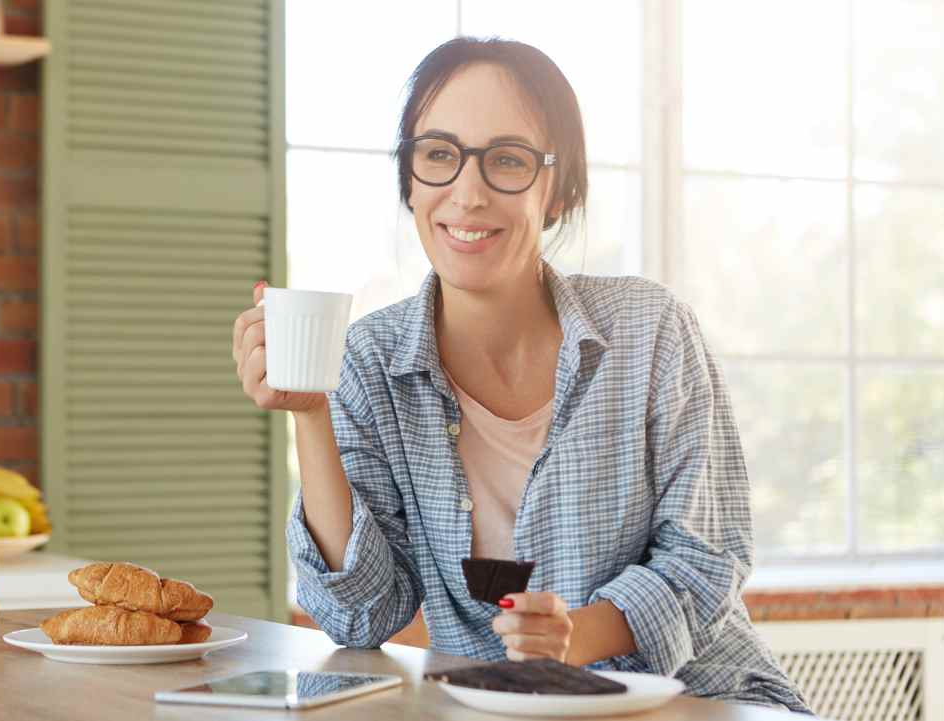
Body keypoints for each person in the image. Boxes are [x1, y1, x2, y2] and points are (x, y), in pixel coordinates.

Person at [231, 37, 810, 713]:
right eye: (439, 156)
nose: (468, 194)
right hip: (501, 709)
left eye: (506, 160)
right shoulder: (367, 361)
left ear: (558, 189)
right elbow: (360, 616)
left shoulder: (651, 332)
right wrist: (310, 414)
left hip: (697, 696)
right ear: (410, 180)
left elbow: (705, 559)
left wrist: (571, 637)